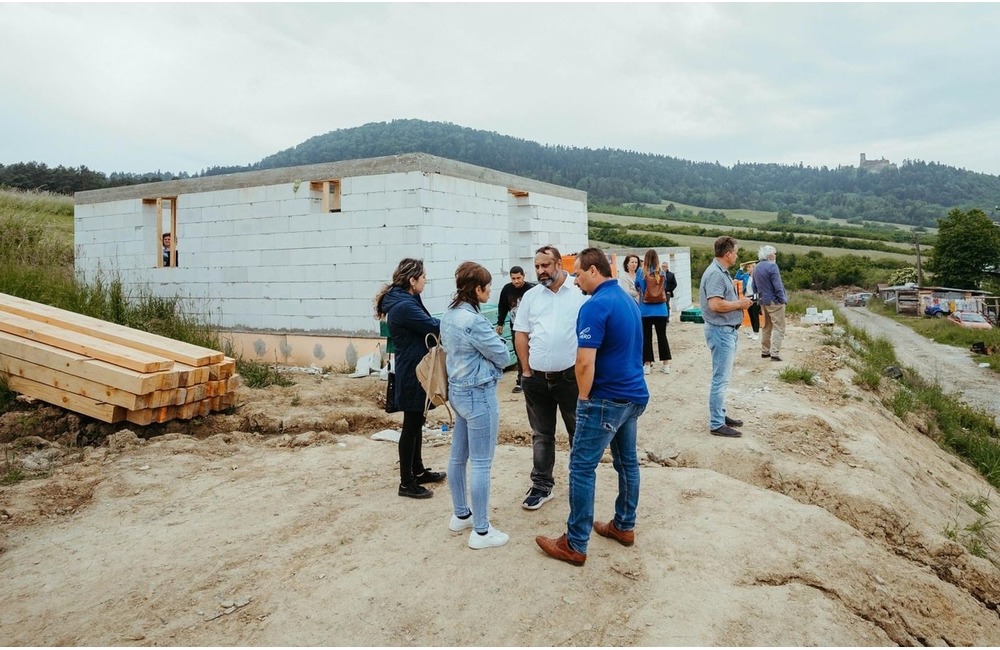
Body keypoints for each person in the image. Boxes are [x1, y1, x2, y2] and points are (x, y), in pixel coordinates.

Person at [535, 248, 648, 566]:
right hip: (633, 395)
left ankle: (575, 543)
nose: (576, 279)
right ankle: (624, 526)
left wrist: (583, 398)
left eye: (579, 273)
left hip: (605, 398)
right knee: (627, 463)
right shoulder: (627, 299)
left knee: (582, 467)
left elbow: (585, 361)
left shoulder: (594, 305)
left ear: (594, 271)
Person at [441, 262, 512, 550]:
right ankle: (481, 531)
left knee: (458, 457)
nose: (490, 291)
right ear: (477, 288)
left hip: (457, 392)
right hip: (478, 394)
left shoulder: (449, 315)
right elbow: (503, 355)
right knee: (482, 462)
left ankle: (462, 514)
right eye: (487, 286)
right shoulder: (474, 321)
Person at [513, 245, 588, 510]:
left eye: (545, 265)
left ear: (559, 264)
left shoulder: (580, 295)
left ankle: (580, 485)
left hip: (570, 379)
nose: (541, 270)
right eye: (537, 266)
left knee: (577, 432)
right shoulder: (532, 297)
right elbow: (521, 332)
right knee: (541, 434)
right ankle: (542, 486)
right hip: (536, 380)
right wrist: (525, 370)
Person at [374, 258, 447, 499]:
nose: (426, 281)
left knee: (417, 422)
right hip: (413, 372)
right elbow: (432, 326)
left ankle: (417, 470)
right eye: (423, 277)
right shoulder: (404, 306)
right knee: (411, 426)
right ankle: (406, 482)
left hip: (414, 368)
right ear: (412, 280)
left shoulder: (405, 300)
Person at [699, 236, 752, 438]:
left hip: (725, 330)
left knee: (722, 376)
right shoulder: (716, 274)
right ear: (728, 253)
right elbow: (715, 305)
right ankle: (716, 423)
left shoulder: (720, 272)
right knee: (720, 379)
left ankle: (720, 414)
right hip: (721, 331)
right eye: (736, 252)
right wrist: (739, 304)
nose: (737, 255)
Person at [494, 266, 536, 394]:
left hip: (531, 327)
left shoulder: (531, 290)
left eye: (518, 278)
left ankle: (534, 377)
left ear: (524, 276)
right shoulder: (507, 289)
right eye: (513, 278)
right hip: (516, 327)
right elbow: (502, 306)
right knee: (520, 353)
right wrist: (500, 323)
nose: (516, 281)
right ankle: (521, 380)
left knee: (533, 351)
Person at [634, 249, 672, 374]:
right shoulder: (662, 272)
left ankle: (647, 364)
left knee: (647, 337)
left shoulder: (641, 272)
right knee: (662, 336)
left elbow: (637, 286)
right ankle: (666, 364)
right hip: (661, 309)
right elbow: (664, 286)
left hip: (645, 309)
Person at [752, 245, 788, 362]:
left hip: (763, 300)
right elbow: (777, 286)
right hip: (774, 301)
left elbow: (754, 286)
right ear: (770, 256)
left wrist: (758, 300)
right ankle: (775, 352)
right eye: (774, 254)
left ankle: (765, 351)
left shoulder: (756, 267)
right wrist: (782, 300)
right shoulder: (772, 266)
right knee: (779, 327)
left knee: (767, 326)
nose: (775, 256)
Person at [734, 262, 761, 341]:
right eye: (747, 267)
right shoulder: (746, 276)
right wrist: (741, 268)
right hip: (748, 297)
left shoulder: (757, 277)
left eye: (749, 267)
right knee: (751, 315)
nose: (748, 269)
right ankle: (753, 331)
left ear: (754, 268)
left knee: (755, 316)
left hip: (755, 298)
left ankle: (757, 333)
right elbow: (737, 277)